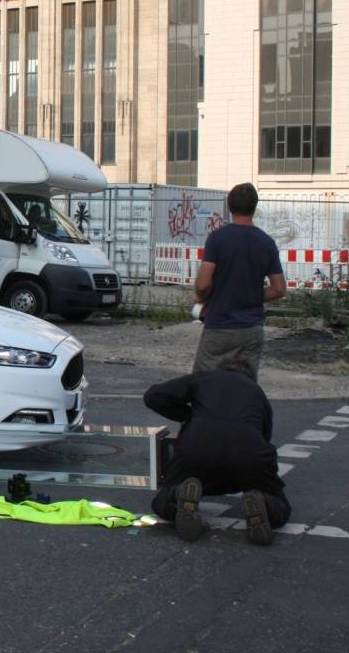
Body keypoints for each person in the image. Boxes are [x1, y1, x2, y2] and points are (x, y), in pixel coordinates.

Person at [144, 365, 291, 546]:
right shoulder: (257, 392)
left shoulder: (205, 377)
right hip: (247, 451)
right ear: (251, 377)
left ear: (221, 369)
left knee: (162, 502)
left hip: (198, 448)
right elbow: (264, 437)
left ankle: (179, 495)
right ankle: (264, 503)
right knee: (279, 505)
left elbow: (153, 396)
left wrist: (189, 416)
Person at [192, 182, 286, 381]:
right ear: (254, 207)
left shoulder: (218, 239)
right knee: (244, 386)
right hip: (252, 329)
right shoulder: (266, 242)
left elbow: (203, 285)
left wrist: (203, 298)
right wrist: (250, 294)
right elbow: (278, 289)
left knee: (204, 383)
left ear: (230, 206)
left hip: (220, 326)